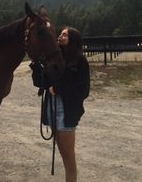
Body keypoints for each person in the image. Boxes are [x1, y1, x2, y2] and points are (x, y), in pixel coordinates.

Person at [30, 27, 90, 182]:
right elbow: (40, 83)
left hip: (67, 110)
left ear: (73, 39)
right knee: (63, 152)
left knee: (69, 156)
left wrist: (58, 88)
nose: (61, 36)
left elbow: (83, 91)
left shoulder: (80, 61)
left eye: (65, 34)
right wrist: (35, 66)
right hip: (52, 108)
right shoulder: (55, 60)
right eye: (61, 33)